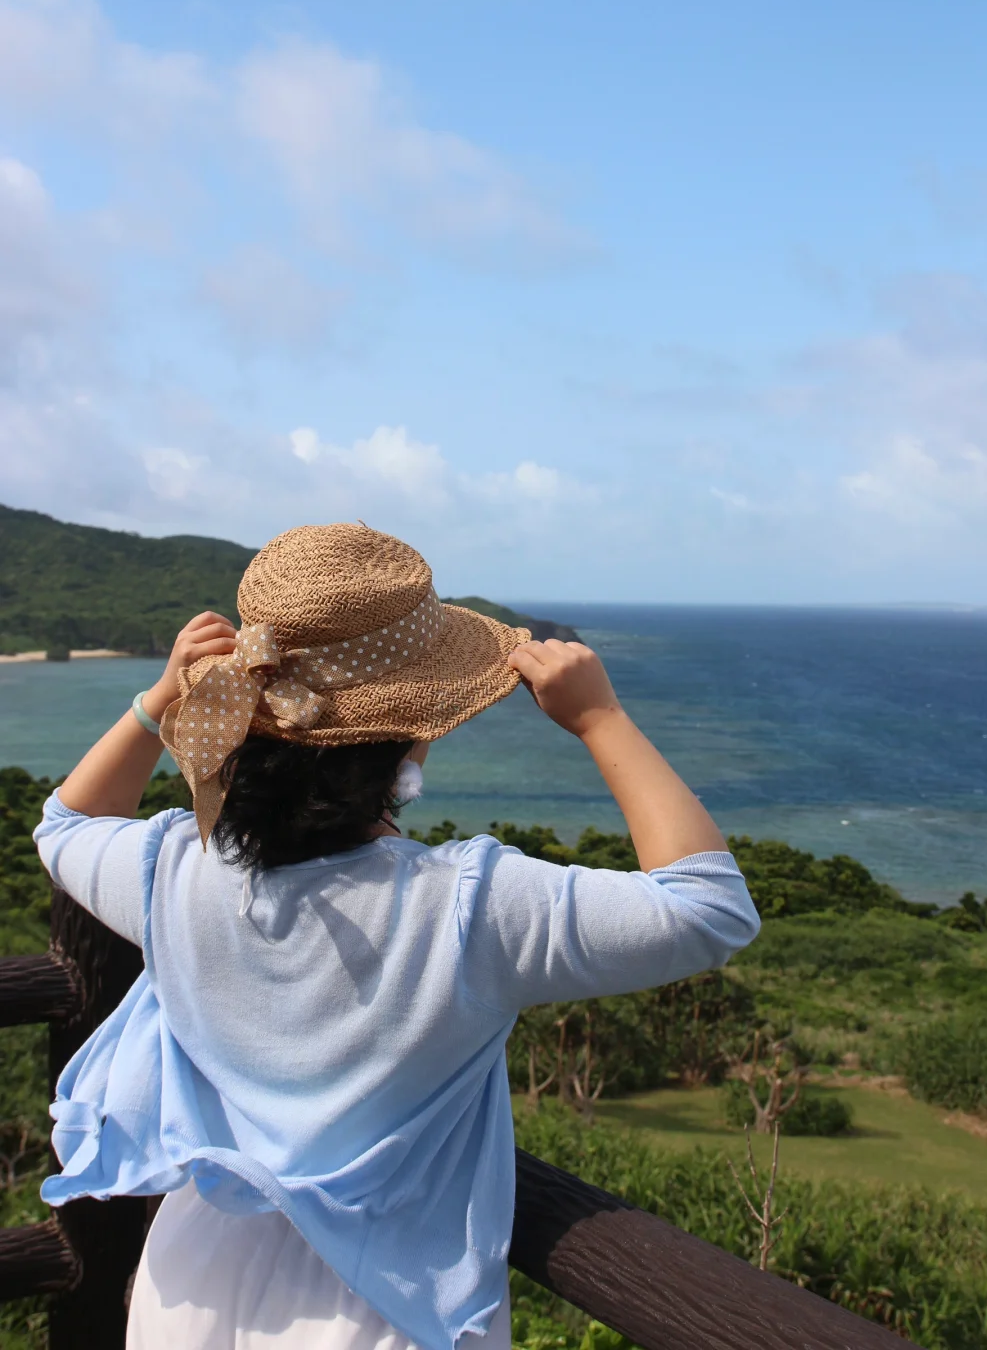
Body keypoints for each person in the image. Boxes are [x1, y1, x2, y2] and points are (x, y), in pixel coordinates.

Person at [35, 521, 760, 1350]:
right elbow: (709, 906)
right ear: (419, 725)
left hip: (190, 1282)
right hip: (388, 1307)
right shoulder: (469, 906)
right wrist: (602, 719)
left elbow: (66, 825)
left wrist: (157, 701)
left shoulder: (170, 867)